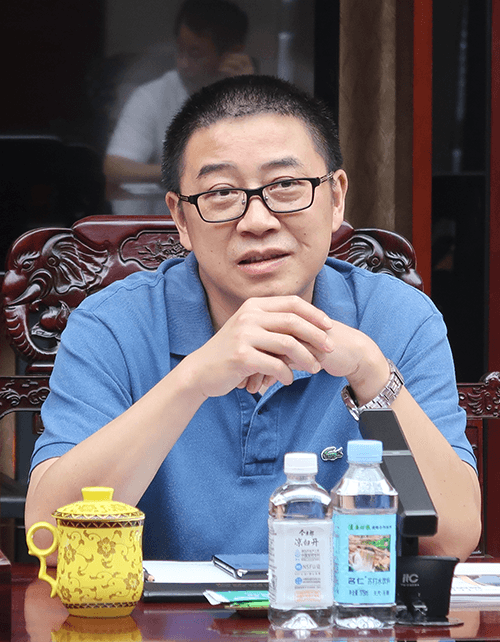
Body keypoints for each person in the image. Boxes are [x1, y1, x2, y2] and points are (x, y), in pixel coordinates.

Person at [26, 75, 481, 563]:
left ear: (335, 198)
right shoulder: (112, 326)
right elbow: (50, 540)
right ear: (181, 219)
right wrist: (193, 380)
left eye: (285, 185)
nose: (257, 221)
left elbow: (450, 537)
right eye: (222, 193)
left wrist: (371, 374)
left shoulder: (398, 318)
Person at [104, 0, 254, 215]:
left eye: (195, 54)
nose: (183, 62)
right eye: (180, 50)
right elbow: (115, 167)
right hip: (162, 223)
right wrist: (181, 171)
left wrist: (247, 92)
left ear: (232, 54)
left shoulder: (252, 98)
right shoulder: (153, 95)